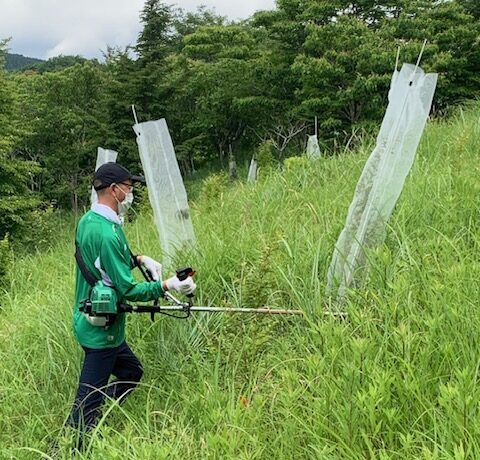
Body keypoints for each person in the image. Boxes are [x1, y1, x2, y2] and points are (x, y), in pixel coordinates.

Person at [68, 162, 196, 435]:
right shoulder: (107, 234)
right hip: (101, 333)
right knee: (84, 408)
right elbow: (128, 291)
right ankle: (68, 445)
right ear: (114, 190)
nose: (130, 194)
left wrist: (137, 259)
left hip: (87, 320)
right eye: (128, 188)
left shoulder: (90, 222)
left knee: (131, 372)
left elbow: (101, 263)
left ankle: (98, 413)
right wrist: (168, 285)